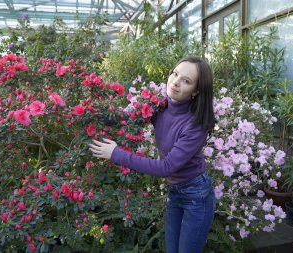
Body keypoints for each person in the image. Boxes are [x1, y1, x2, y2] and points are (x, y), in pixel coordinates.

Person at [89, 56, 216, 253]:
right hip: (176, 192)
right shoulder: (160, 106)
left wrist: (116, 154)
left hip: (196, 196)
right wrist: (91, 113)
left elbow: (166, 167)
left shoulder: (195, 125)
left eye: (186, 81)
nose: (175, 82)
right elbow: (128, 118)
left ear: (196, 91)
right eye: (175, 74)